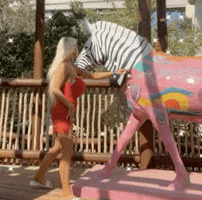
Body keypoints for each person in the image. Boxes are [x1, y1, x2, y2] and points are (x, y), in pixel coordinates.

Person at [29, 37, 128, 198]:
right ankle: (67, 193)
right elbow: (54, 89)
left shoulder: (73, 67)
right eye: (75, 46)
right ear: (70, 49)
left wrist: (115, 72)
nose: (77, 48)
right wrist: (69, 105)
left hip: (65, 112)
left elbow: (93, 75)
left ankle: (38, 177)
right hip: (62, 112)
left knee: (57, 148)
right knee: (67, 153)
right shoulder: (63, 67)